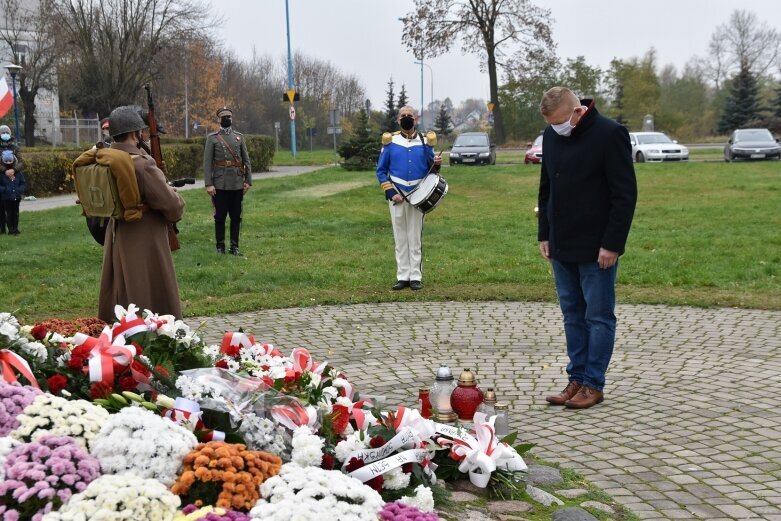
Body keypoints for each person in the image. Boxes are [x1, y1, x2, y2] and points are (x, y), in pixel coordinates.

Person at [537, 86, 637, 409]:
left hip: (597, 249)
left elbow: (624, 195)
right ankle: (576, 379)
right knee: (572, 316)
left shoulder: (610, 134)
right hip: (561, 245)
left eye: (561, 122)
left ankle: (593, 383)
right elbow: (546, 188)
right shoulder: (552, 135)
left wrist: (612, 244)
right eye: (552, 125)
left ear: (578, 111)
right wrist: (545, 234)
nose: (557, 129)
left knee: (598, 316)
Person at [96, 106, 185, 323]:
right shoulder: (141, 164)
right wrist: (175, 196)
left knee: (121, 287)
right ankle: (151, 334)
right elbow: (172, 206)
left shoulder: (105, 158)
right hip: (144, 237)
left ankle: (118, 331)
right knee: (145, 290)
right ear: (135, 133)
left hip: (117, 234)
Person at [376, 106, 441, 290]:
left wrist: (436, 164)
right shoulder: (390, 142)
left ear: (416, 118)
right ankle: (402, 275)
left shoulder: (424, 141)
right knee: (400, 236)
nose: (406, 118)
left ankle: (415, 277)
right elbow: (381, 171)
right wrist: (391, 192)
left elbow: (431, 170)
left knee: (415, 236)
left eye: (409, 116)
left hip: (418, 195)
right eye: (403, 116)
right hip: (397, 194)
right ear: (398, 120)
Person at [203, 106, 251, 256]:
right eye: (224, 118)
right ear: (219, 120)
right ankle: (220, 247)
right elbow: (207, 162)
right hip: (220, 184)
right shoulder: (212, 138)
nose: (226, 120)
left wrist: (248, 180)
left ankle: (234, 247)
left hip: (237, 183)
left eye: (228, 117)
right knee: (220, 217)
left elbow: (246, 160)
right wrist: (209, 184)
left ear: (232, 119)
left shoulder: (239, 137)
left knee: (236, 216)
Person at [0, 124, 21, 234]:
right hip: (1, 177)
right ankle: (2, 228)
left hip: (13, 177)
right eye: (2, 132)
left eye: (6, 132)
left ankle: (13, 227)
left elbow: (21, 161)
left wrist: (14, 170)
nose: (5, 134)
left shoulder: (15, 147)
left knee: (12, 206)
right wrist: (4, 170)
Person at [0, 149, 26, 235]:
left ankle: (15, 228)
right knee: (9, 213)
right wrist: (4, 190)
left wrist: (19, 190)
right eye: (6, 161)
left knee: (16, 213)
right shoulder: (2, 174)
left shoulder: (18, 173)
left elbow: (23, 183)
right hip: (6, 197)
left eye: (9, 160)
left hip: (16, 196)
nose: (8, 162)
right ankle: (10, 229)